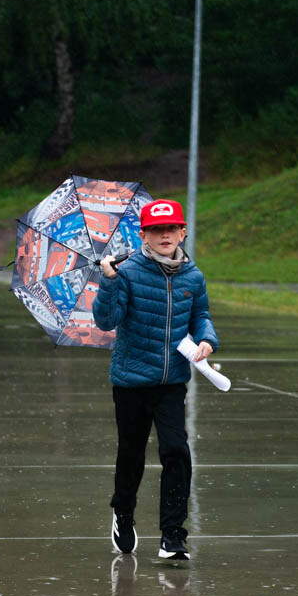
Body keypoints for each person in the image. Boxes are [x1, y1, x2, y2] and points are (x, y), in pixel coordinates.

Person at [93, 199, 218, 560]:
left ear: (183, 232)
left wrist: (207, 338)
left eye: (171, 229)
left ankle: (173, 535)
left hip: (171, 381)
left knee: (176, 451)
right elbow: (106, 320)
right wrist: (110, 280)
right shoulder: (127, 271)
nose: (165, 235)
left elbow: (200, 314)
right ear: (144, 234)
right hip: (131, 381)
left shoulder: (193, 276)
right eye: (156, 230)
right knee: (131, 454)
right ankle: (124, 512)